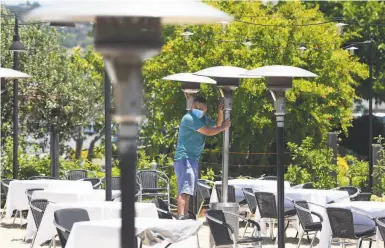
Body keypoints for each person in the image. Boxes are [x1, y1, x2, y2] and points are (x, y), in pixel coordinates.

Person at [173, 96, 231, 219]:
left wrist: (220, 113)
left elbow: (216, 125)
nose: (197, 109)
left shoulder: (203, 118)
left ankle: (186, 216)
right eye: (195, 107)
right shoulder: (189, 118)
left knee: (188, 191)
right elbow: (209, 132)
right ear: (192, 106)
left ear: (206, 109)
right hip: (185, 158)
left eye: (201, 108)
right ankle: (181, 216)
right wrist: (223, 127)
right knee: (184, 191)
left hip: (192, 159)